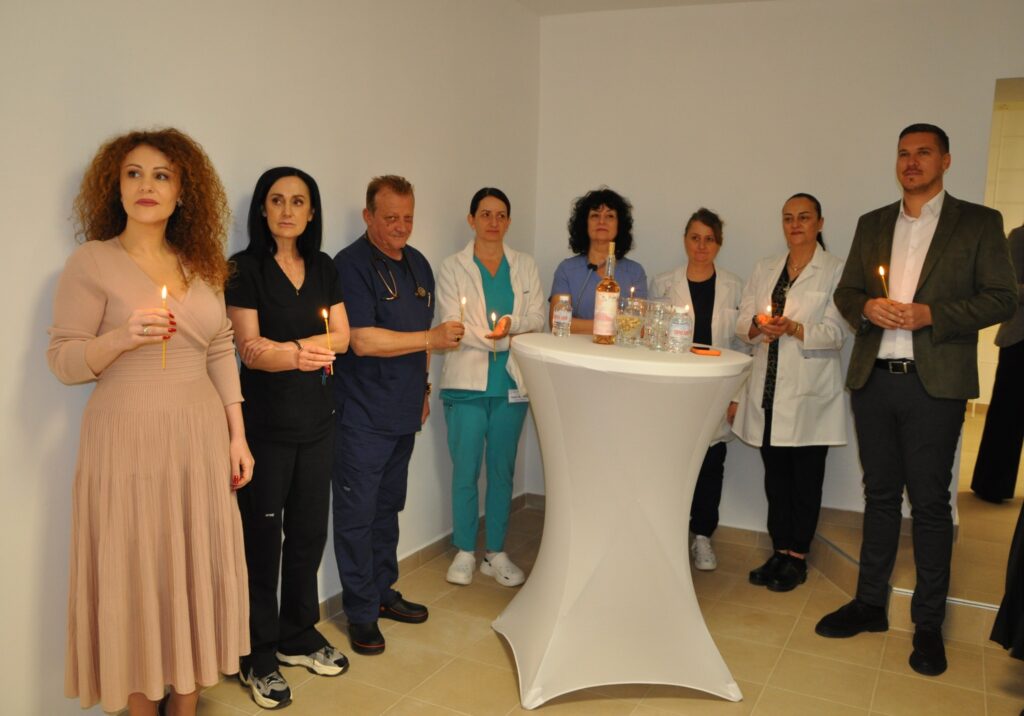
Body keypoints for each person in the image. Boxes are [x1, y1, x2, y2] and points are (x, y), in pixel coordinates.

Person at [47, 128, 252, 716]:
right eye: (133, 173)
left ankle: (185, 706)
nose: (147, 185)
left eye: (162, 175)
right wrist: (121, 337)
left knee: (193, 569)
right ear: (115, 187)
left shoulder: (202, 264)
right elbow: (63, 361)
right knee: (135, 574)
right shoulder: (92, 261)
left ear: (183, 192)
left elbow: (220, 349)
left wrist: (237, 436)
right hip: (126, 440)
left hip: (198, 436)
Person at [818, 124, 1017, 678]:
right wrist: (867, 308)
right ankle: (869, 604)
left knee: (930, 505)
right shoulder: (873, 222)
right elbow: (847, 292)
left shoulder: (978, 222)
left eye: (923, 152)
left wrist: (933, 314)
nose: (911, 162)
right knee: (880, 495)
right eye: (904, 153)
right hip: (874, 379)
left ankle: (928, 624)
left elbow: (1003, 298)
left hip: (936, 386)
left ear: (945, 160)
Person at [226, 167, 351, 709]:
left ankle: (298, 633)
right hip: (265, 430)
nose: (287, 210)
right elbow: (250, 350)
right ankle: (256, 653)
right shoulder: (244, 269)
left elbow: (343, 336)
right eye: (277, 200)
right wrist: (300, 352)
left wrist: (291, 349)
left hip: (318, 423)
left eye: (298, 201)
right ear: (262, 208)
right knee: (261, 543)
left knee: (306, 536)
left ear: (311, 212)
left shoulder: (323, 267)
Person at [331, 175, 463, 656]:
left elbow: (423, 333)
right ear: (368, 216)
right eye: (390, 218)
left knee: (388, 509)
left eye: (408, 218)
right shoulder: (349, 265)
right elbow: (361, 340)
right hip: (362, 414)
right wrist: (431, 340)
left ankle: (383, 592)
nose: (401, 227)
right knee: (357, 516)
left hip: (404, 409)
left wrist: (424, 388)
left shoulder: (418, 264)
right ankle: (360, 612)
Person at [733, 193, 849, 592]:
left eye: (803, 217)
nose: (795, 225)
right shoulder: (765, 267)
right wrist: (758, 324)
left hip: (808, 393)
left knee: (806, 480)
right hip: (767, 390)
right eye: (788, 218)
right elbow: (741, 322)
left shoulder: (835, 270)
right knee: (776, 479)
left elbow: (836, 334)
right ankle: (779, 550)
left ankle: (797, 557)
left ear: (820, 223)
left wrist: (795, 328)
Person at [435, 188, 546, 587]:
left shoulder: (524, 265)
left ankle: (494, 552)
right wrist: (500, 338)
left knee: (502, 472)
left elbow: (538, 317)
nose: (493, 222)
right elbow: (452, 325)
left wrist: (511, 327)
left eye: (501, 215)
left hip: (511, 384)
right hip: (465, 385)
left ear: (509, 222)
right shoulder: (452, 267)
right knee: (465, 471)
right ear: (472, 220)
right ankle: (465, 550)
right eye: (485, 214)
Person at [649, 208, 745, 571]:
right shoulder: (662, 284)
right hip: (675, 390)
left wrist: (736, 396)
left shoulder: (735, 286)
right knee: (672, 466)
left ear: (719, 244)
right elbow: (652, 339)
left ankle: (702, 535)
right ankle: (670, 535)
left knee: (711, 466)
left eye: (709, 239)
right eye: (695, 238)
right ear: (685, 240)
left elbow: (745, 347)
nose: (701, 246)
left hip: (717, 390)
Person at [971, 223, 1024, 502]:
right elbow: (1007, 289)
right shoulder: (1020, 236)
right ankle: (992, 485)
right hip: (1019, 340)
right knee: (1008, 416)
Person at [549, 187, 648, 333]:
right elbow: (558, 323)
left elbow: (640, 328)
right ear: (585, 223)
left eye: (610, 216)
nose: (602, 221)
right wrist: (617, 325)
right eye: (595, 215)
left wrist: (583, 325)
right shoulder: (567, 269)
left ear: (619, 225)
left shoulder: (635, 273)